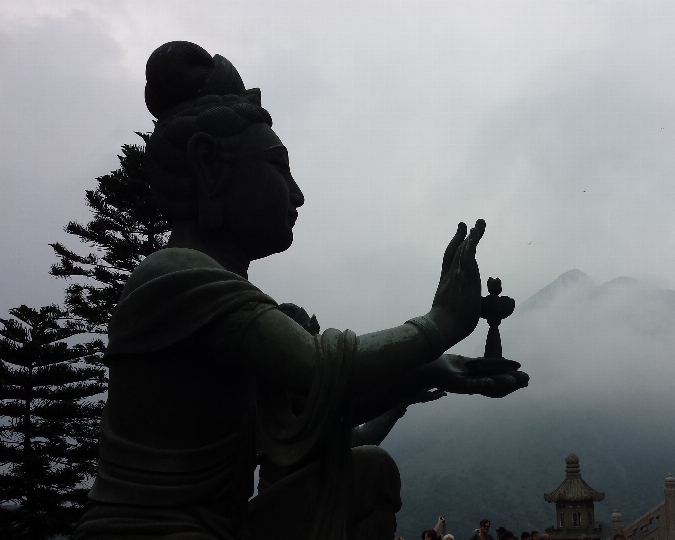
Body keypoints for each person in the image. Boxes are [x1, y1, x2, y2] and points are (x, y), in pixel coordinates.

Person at [74, 41, 528, 540]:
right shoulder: (177, 277)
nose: (296, 193)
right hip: (155, 533)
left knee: (368, 473)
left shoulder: (226, 291)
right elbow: (317, 368)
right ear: (208, 164)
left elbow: (309, 416)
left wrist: (424, 374)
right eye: (277, 167)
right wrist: (439, 325)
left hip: (223, 527)